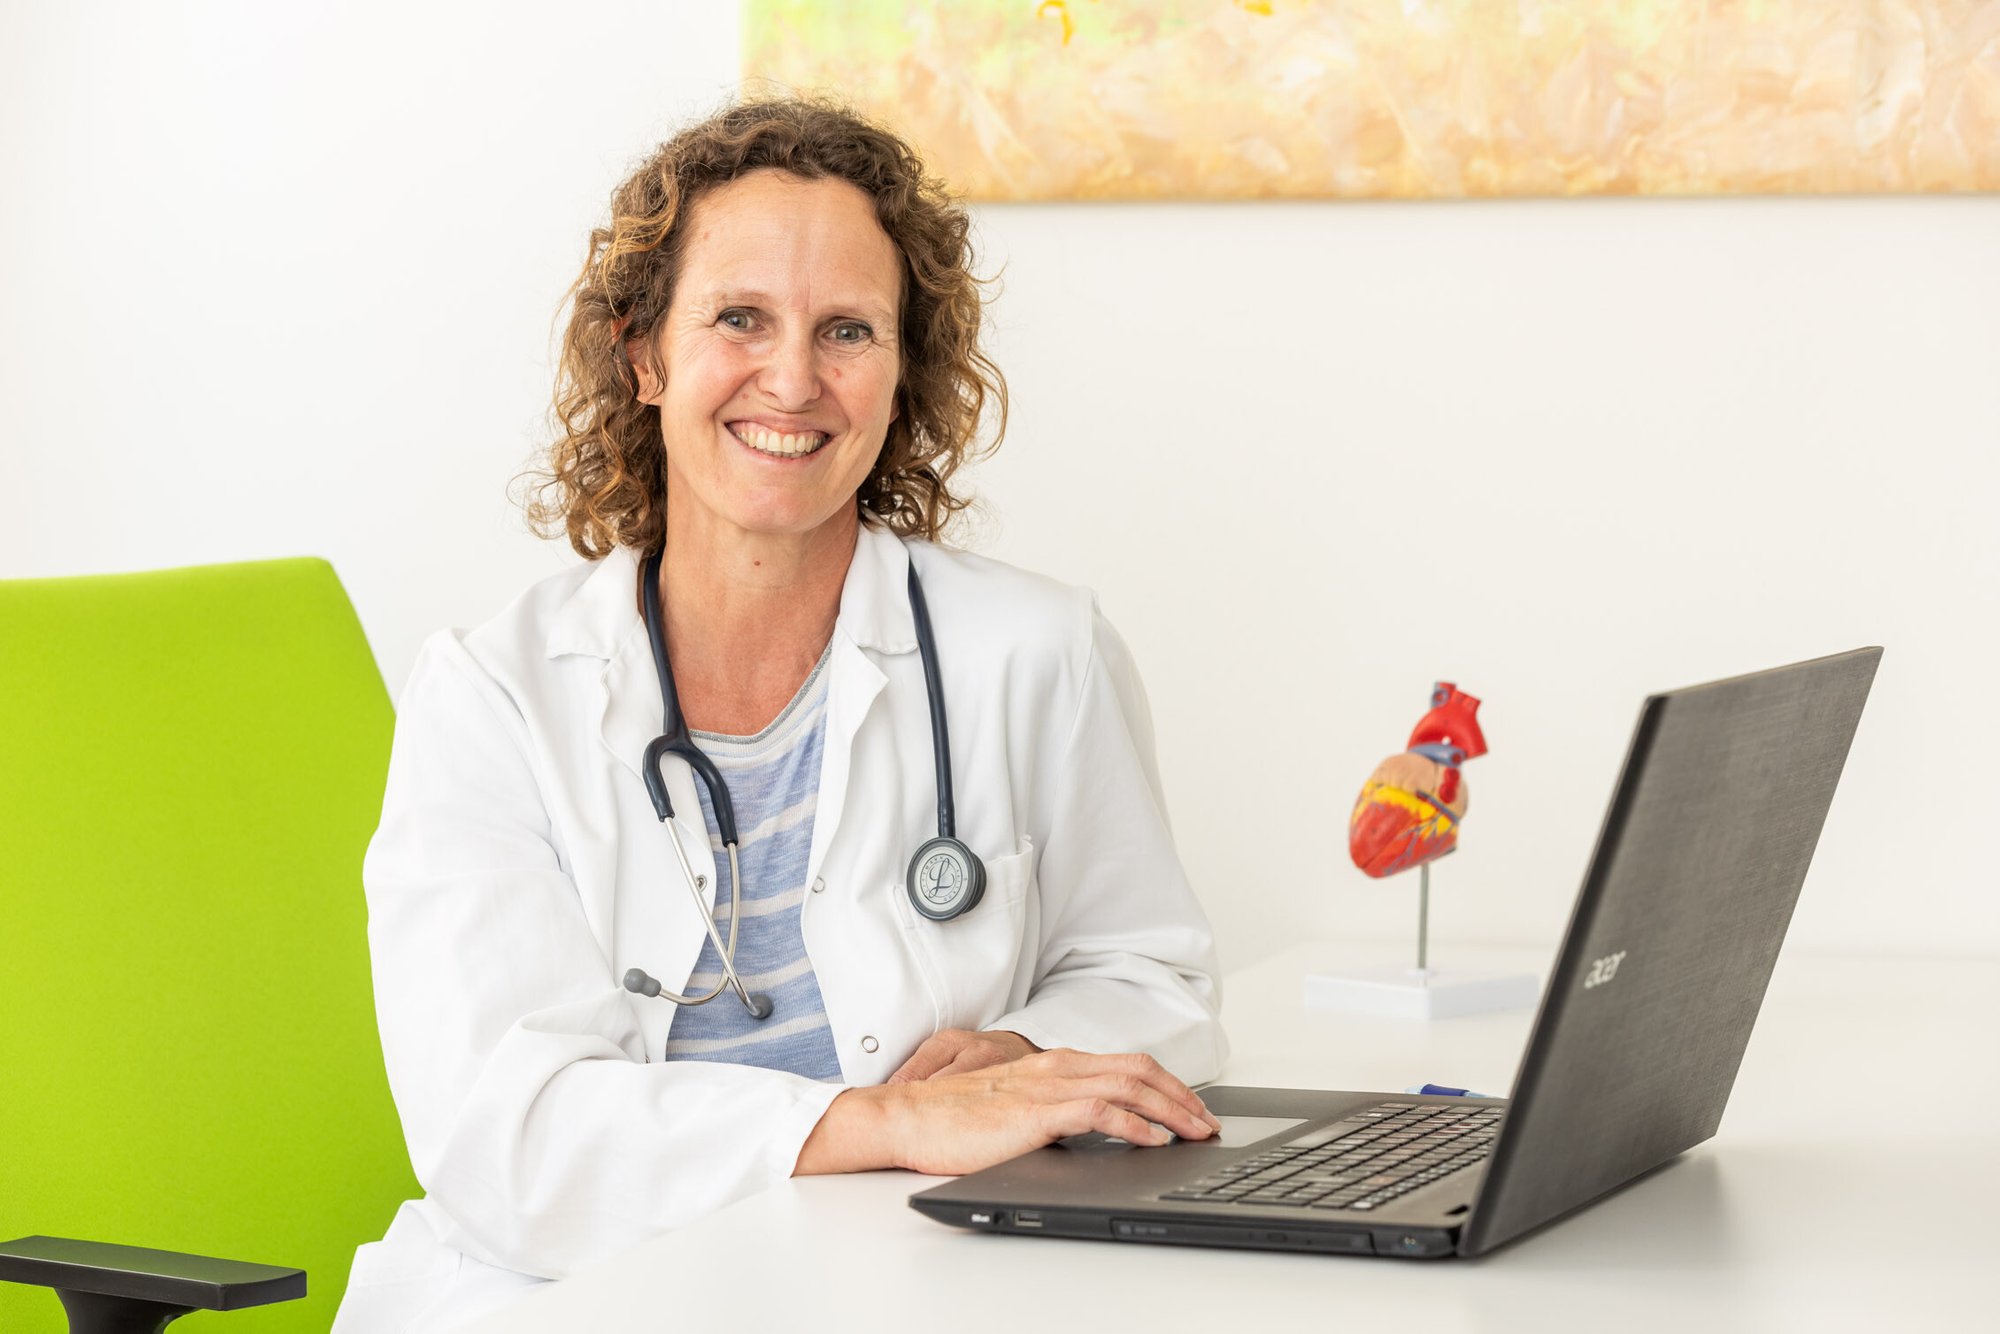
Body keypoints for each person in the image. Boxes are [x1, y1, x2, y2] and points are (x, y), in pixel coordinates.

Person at [332, 96, 1229, 1332]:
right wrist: (880, 1120)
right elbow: (513, 1140)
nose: (794, 379)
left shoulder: (1035, 650)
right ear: (643, 355)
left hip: (904, 1279)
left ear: (902, 372)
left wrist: (1026, 1052)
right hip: (566, 1296)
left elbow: (1149, 973)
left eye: (847, 329)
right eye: (738, 318)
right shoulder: (495, 696)